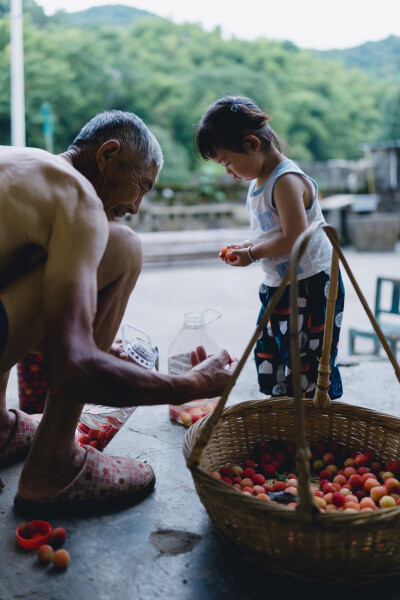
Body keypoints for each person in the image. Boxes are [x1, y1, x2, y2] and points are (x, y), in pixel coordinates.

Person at [0, 110, 237, 517]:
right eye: (141, 186)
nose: (135, 206)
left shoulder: (24, 165)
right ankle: (54, 465)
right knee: (125, 246)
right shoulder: (77, 197)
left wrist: (90, 352)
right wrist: (190, 383)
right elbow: (72, 371)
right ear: (108, 155)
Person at [195, 95, 344, 399]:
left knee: (307, 362)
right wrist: (249, 245)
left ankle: (312, 424)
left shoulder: (286, 180)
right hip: (280, 284)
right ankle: (285, 415)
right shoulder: (258, 181)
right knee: (276, 352)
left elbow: (295, 237)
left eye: (227, 162)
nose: (228, 172)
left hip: (310, 285)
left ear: (251, 144)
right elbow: (272, 231)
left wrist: (252, 254)